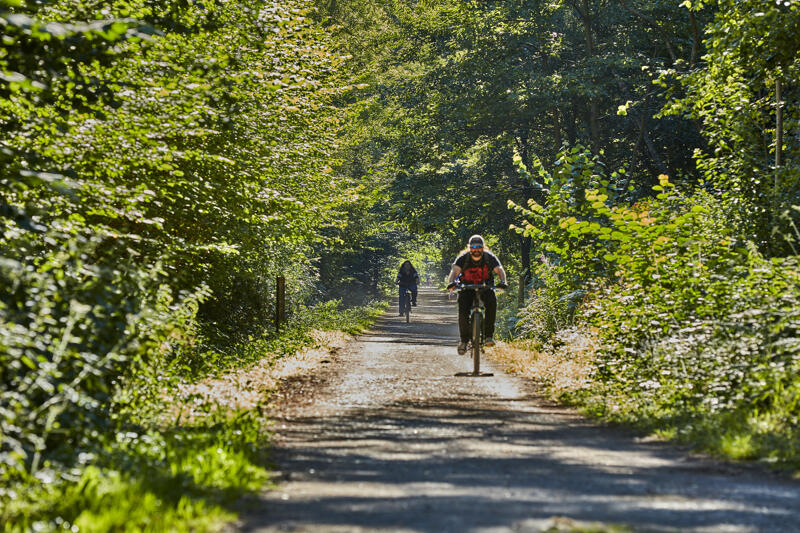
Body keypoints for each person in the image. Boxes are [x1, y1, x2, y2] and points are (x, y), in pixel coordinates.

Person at [447, 235, 507, 354]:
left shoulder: (489, 257)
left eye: (479, 247)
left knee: (492, 304)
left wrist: (503, 281)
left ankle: (488, 336)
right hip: (467, 288)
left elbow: (499, 269)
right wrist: (451, 283)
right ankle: (464, 341)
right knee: (463, 311)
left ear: (483, 248)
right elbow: (454, 272)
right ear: (469, 248)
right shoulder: (463, 258)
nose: (476, 250)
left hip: (485, 287)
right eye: (473, 247)